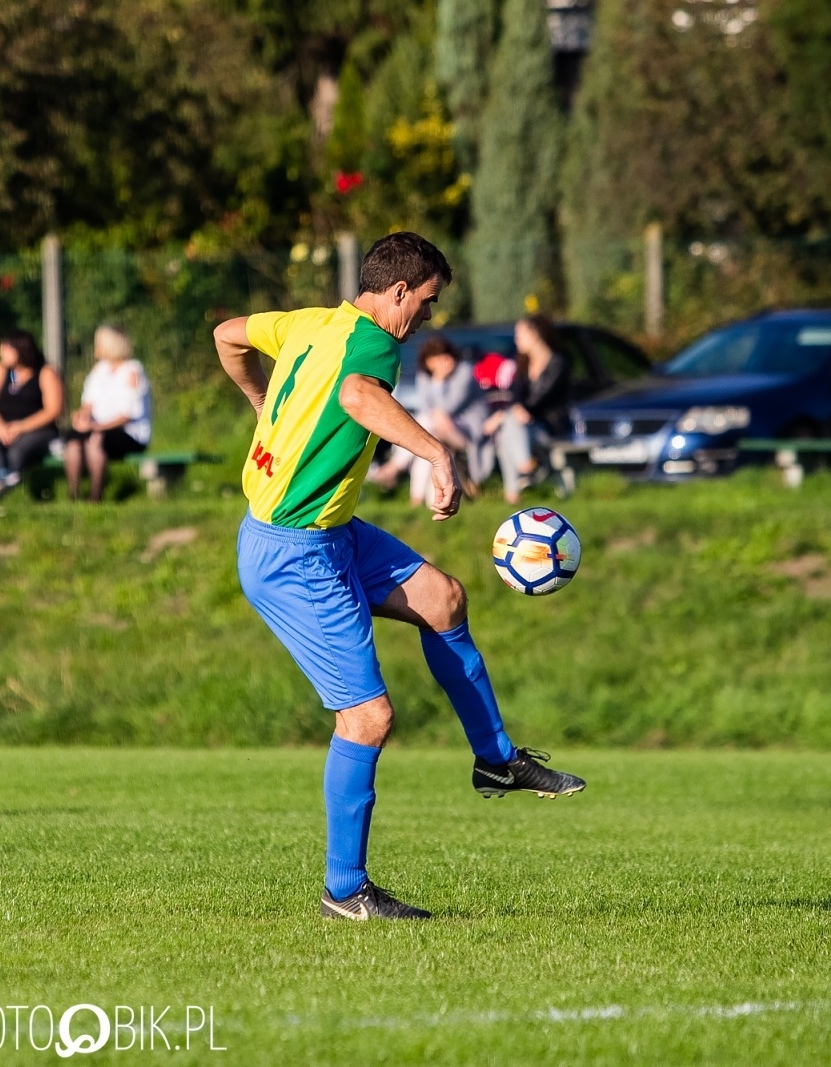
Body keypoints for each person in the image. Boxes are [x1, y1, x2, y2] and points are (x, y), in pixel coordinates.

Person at [212, 232, 584, 922]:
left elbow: (227, 334)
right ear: (399, 291)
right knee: (368, 716)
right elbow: (357, 395)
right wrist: (436, 453)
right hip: (293, 552)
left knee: (444, 599)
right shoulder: (374, 344)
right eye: (429, 304)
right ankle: (345, 890)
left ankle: (496, 759)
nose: (428, 321)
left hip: (333, 532)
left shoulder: (310, 321)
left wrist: (260, 402)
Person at [370, 336, 489, 506]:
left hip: (467, 433)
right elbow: (426, 408)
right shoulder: (424, 376)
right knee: (427, 451)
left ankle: (395, 466)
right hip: (438, 429)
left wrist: (439, 380)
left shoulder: (464, 372)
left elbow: (449, 407)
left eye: (444, 357)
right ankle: (419, 502)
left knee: (429, 423)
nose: (441, 363)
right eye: (436, 359)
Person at [482, 314, 571, 505]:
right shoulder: (522, 363)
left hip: (550, 425)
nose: (516, 339)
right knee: (508, 426)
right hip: (524, 425)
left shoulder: (558, 362)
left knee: (508, 424)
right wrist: (511, 412)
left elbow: (541, 398)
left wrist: (514, 412)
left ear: (536, 334)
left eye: (520, 334)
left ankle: (515, 488)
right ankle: (524, 468)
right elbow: (514, 398)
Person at [63, 324, 151, 502]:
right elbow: (88, 403)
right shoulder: (99, 370)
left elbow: (129, 414)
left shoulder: (132, 371)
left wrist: (97, 426)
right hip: (98, 427)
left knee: (97, 439)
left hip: (128, 433)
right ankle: (73, 495)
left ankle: (96, 496)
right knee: (73, 441)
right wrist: (81, 417)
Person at [0, 330, 64, 505]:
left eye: (6, 349)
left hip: (38, 430)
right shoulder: (2, 371)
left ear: (21, 350)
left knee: (20, 448)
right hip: (3, 428)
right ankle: (0, 475)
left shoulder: (46, 372)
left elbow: (53, 410)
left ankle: (7, 481)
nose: (1, 353)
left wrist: (20, 427)